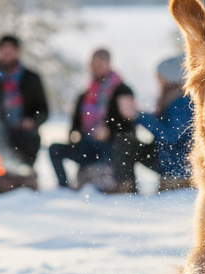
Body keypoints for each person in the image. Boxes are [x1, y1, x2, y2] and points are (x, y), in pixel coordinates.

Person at [50, 48, 136, 191]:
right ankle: (65, 188)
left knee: (110, 149)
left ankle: (112, 183)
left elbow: (129, 124)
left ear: (109, 64)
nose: (96, 69)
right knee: (55, 149)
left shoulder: (122, 91)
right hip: (86, 143)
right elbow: (74, 126)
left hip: (110, 146)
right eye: (93, 65)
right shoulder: (84, 95)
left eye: (100, 65)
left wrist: (109, 131)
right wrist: (75, 135)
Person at [0, 35, 49, 169]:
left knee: (31, 139)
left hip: (22, 131)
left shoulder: (31, 79)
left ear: (18, 52)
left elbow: (43, 110)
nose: (7, 54)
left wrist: (32, 121)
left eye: (10, 50)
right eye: (3, 50)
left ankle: (23, 174)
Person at [118, 56, 194, 191]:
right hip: (171, 163)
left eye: (160, 76)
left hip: (178, 171)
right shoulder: (174, 99)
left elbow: (171, 135)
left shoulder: (182, 102)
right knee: (128, 143)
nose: (158, 80)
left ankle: (126, 187)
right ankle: (126, 185)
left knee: (128, 145)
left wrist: (139, 116)